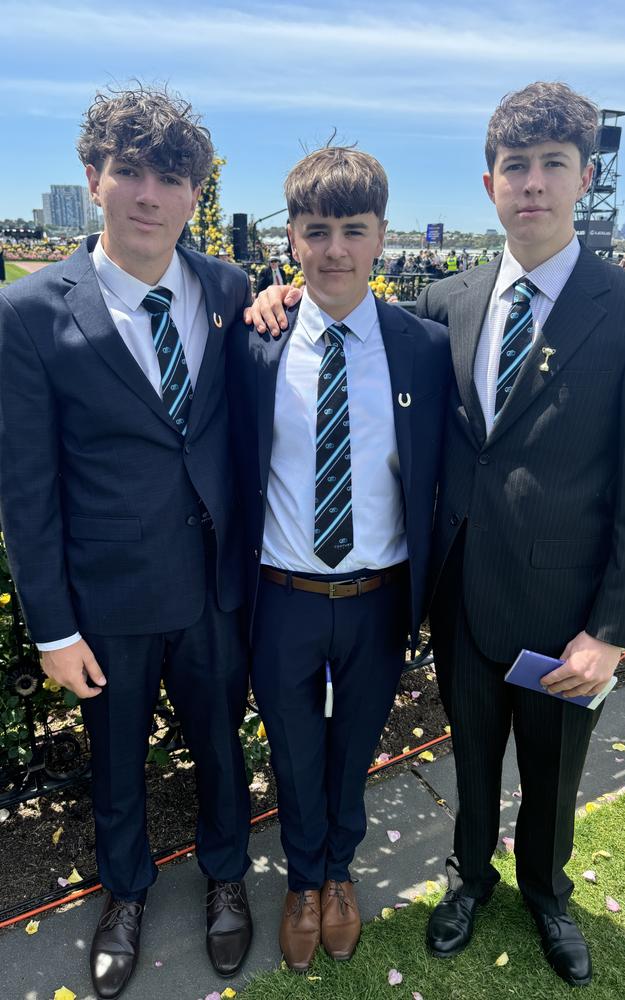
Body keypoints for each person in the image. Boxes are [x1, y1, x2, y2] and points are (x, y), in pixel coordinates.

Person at [0, 85, 253, 999]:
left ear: (196, 193)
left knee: (223, 746)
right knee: (117, 765)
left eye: (172, 176)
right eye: (131, 171)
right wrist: (51, 628)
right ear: (94, 178)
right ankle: (127, 892)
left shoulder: (229, 289)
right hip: (107, 603)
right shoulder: (30, 314)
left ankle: (228, 877)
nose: (150, 194)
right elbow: (25, 486)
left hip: (218, 588)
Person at [416, 81, 625, 988]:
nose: (534, 184)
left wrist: (615, 629)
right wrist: (277, 300)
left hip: (567, 609)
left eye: (554, 165)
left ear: (584, 178)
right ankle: (470, 877)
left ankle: (546, 892)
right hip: (464, 594)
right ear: (489, 183)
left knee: (554, 773)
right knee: (471, 755)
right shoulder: (446, 301)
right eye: (516, 167)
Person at [229, 146, 450, 972]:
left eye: (353, 231)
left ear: (382, 237)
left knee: (354, 745)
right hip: (281, 592)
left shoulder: (421, 348)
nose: (334, 250)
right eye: (316, 231)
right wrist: (263, 300)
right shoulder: (256, 343)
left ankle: (340, 873)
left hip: (376, 594)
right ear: (291, 237)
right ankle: (301, 879)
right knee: (291, 747)